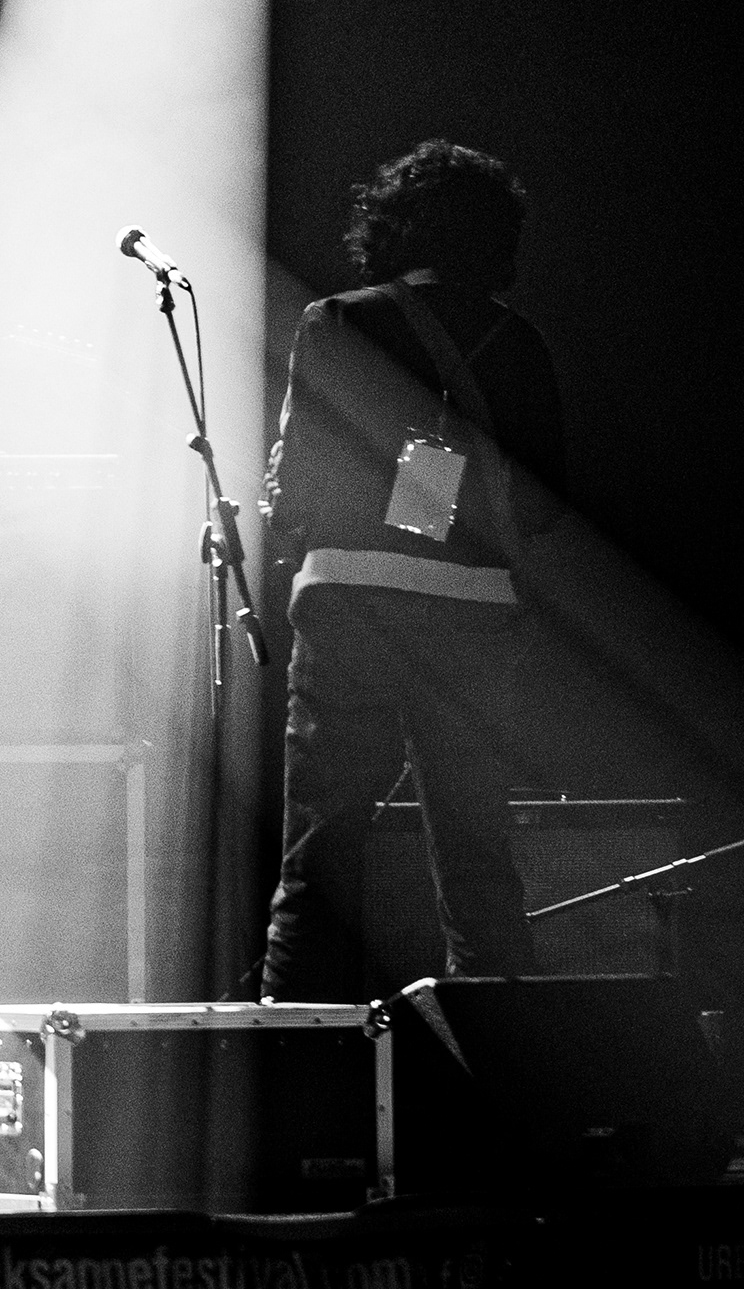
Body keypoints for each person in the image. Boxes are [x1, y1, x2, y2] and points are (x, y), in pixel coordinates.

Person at [257, 139, 566, 1001]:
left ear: (392, 223)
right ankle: (506, 1049)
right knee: (477, 852)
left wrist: (289, 514)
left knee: (324, 843)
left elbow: (302, 483)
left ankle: (303, 1042)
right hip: (473, 610)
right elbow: (544, 504)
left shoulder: (338, 320)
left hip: (351, 596)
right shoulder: (520, 343)